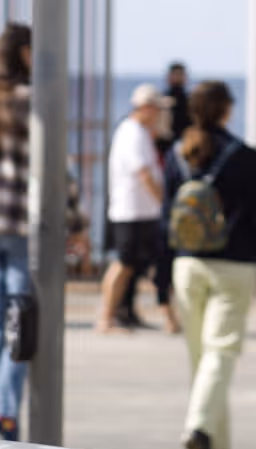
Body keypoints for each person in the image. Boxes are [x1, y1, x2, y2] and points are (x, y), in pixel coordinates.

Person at [0, 23, 88, 441]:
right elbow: (57, 171)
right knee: (23, 321)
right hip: (20, 224)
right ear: (25, 54)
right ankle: (5, 415)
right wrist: (77, 223)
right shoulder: (32, 102)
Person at [162, 79, 256, 449]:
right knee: (221, 352)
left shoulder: (177, 155)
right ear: (227, 109)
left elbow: (166, 220)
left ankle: (217, 444)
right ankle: (199, 429)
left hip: (186, 265)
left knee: (201, 357)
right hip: (234, 264)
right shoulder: (245, 156)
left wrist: (161, 280)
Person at [102, 84, 169, 333]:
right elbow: (144, 174)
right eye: (158, 109)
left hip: (141, 210)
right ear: (146, 108)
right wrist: (163, 202)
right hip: (130, 210)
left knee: (135, 266)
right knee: (122, 264)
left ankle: (125, 313)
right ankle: (106, 317)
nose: (161, 114)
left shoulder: (141, 132)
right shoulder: (131, 133)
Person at [160, 62, 192, 154]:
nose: (179, 78)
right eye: (176, 75)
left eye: (181, 75)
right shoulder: (163, 99)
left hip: (184, 143)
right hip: (167, 145)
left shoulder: (189, 100)